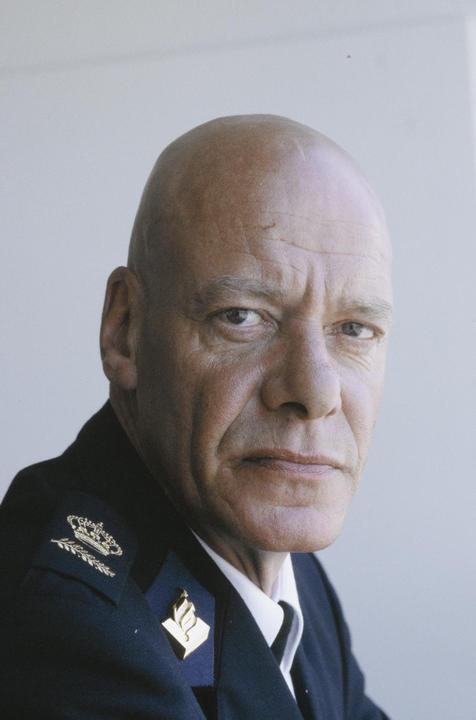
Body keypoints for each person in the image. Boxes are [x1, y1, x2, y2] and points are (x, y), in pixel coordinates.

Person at [0, 114, 393, 719]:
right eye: (242, 316)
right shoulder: (67, 627)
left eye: (354, 329)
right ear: (125, 330)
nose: (315, 392)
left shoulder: (285, 570)